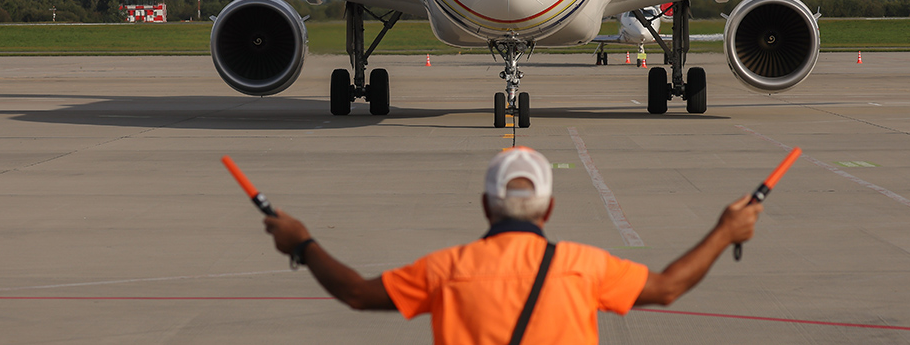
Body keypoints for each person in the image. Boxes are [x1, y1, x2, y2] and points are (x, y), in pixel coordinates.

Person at [263, 146, 762, 344]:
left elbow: (354, 292)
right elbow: (668, 287)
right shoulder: (581, 266)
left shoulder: (448, 269)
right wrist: (725, 230)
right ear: (548, 210)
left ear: (486, 206)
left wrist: (301, 242)